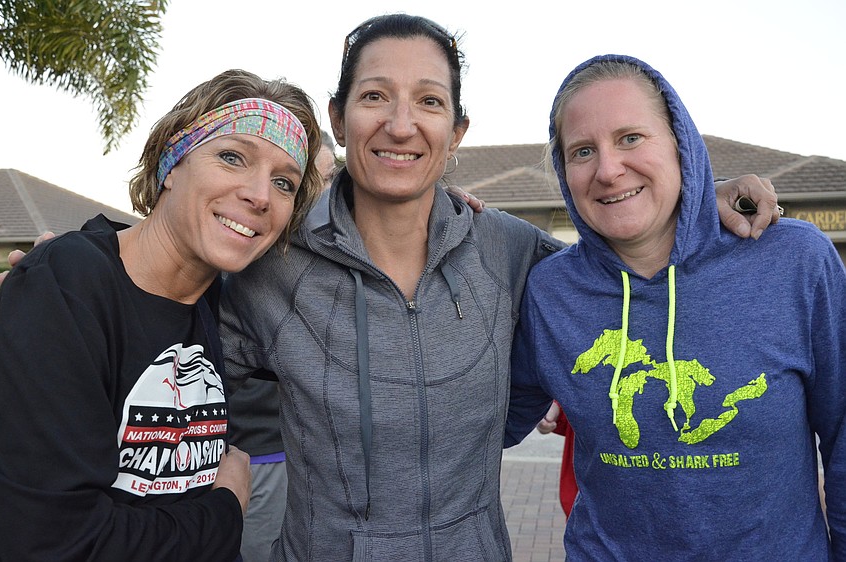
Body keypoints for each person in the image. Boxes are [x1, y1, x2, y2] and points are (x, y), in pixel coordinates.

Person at [219, 15, 780, 562]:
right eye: (374, 96)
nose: (401, 125)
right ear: (338, 121)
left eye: (429, 101)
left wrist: (696, 199)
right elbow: (177, 362)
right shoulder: (274, 266)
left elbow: (623, 259)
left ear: (456, 133)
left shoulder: (507, 248)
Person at [505, 55, 845, 560]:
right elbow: (488, 423)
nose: (608, 170)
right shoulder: (550, 290)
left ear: (680, 143)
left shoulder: (794, 260)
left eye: (631, 138)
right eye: (582, 151)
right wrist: (433, 209)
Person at [0, 69, 323, 562]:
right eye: (232, 157)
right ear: (172, 161)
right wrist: (225, 508)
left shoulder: (220, 303)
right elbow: (54, 541)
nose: (260, 195)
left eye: (284, 182)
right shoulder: (70, 285)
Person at [227, 130, 337, 562]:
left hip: (287, 456)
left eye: (328, 178)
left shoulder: (335, 255)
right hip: (226, 455)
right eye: (306, 181)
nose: (320, 193)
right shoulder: (232, 242)